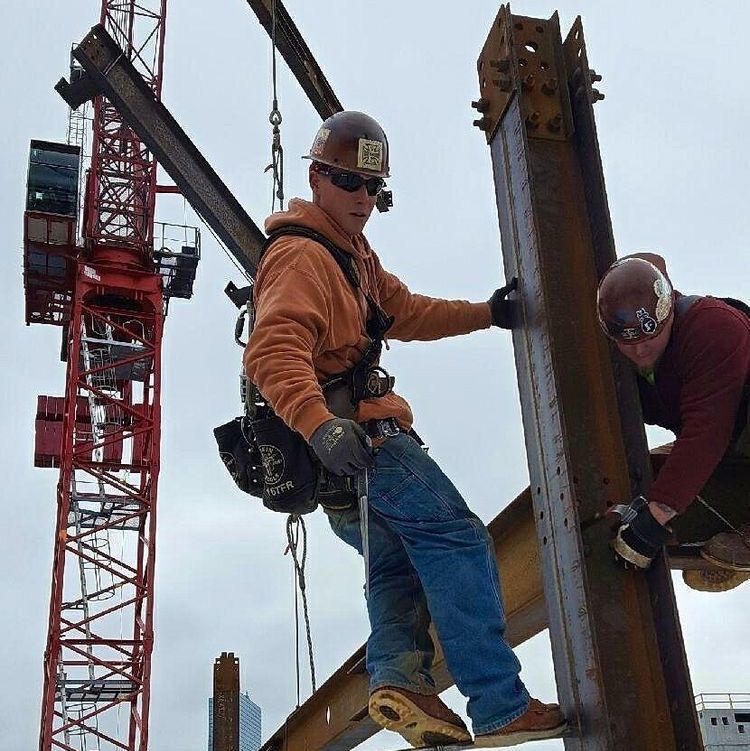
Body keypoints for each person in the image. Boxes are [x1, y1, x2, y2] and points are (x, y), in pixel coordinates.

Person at [244, 111, 566, 747]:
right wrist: (318, 426)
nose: (363, 200)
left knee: (396, 566)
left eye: (374, 189)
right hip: (361, 440)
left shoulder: (351, 257)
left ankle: (398, 680)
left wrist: (488, 313)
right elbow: (272, 351)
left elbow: (407, 311)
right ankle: (499, 702)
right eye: (348, 183)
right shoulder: (303, 257)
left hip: (339, 461)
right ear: (316, 178)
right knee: (457, 539)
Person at [596, 253, 750, 590]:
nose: (638, 352)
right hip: (735, 459)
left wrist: (655, 515)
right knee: (652, 510)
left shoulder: (715, 329)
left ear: (668, 315)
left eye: (649, 338)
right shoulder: (628, 358)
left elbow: (707, 430)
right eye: (627, 342)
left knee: (663, 504)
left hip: (727, 431)